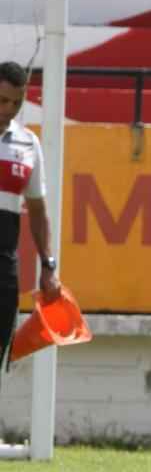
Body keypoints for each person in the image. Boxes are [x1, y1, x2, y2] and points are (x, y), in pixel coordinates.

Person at [0, 61, 61, 368]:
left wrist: (49, 265)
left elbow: (37, 211)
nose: (9, 109)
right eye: (2, 100)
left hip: (4, 265)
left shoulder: (28, 144)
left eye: (16, 103)